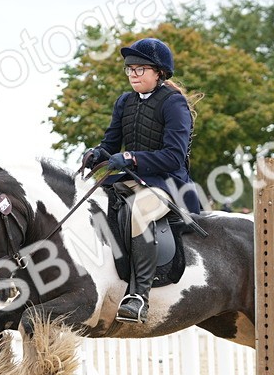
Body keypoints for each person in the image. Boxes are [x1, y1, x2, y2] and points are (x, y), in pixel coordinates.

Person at [81, 37, 199, 323]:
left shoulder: (174, 105)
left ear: (158, 72)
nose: (133, 74)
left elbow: (173, 156)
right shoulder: (125, 102)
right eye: (129, 69)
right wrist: (98, 154)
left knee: (139, 211)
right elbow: (111, 143)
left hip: (167, 184)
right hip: (129, 179)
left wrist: (132, 158)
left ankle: (138, 295)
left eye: (139, 69)